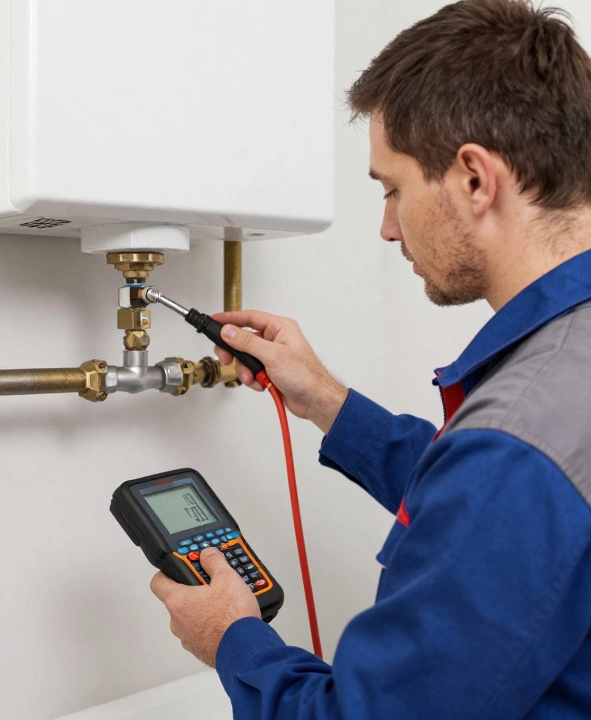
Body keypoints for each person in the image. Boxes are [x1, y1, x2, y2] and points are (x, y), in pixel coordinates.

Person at [149, 1, 591, 716]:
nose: (387, 228)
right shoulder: (553, 396)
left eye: (392, 189)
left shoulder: (516, 445)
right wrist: (328, 401)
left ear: (475, 179)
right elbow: (502, 519)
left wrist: (231, 638)